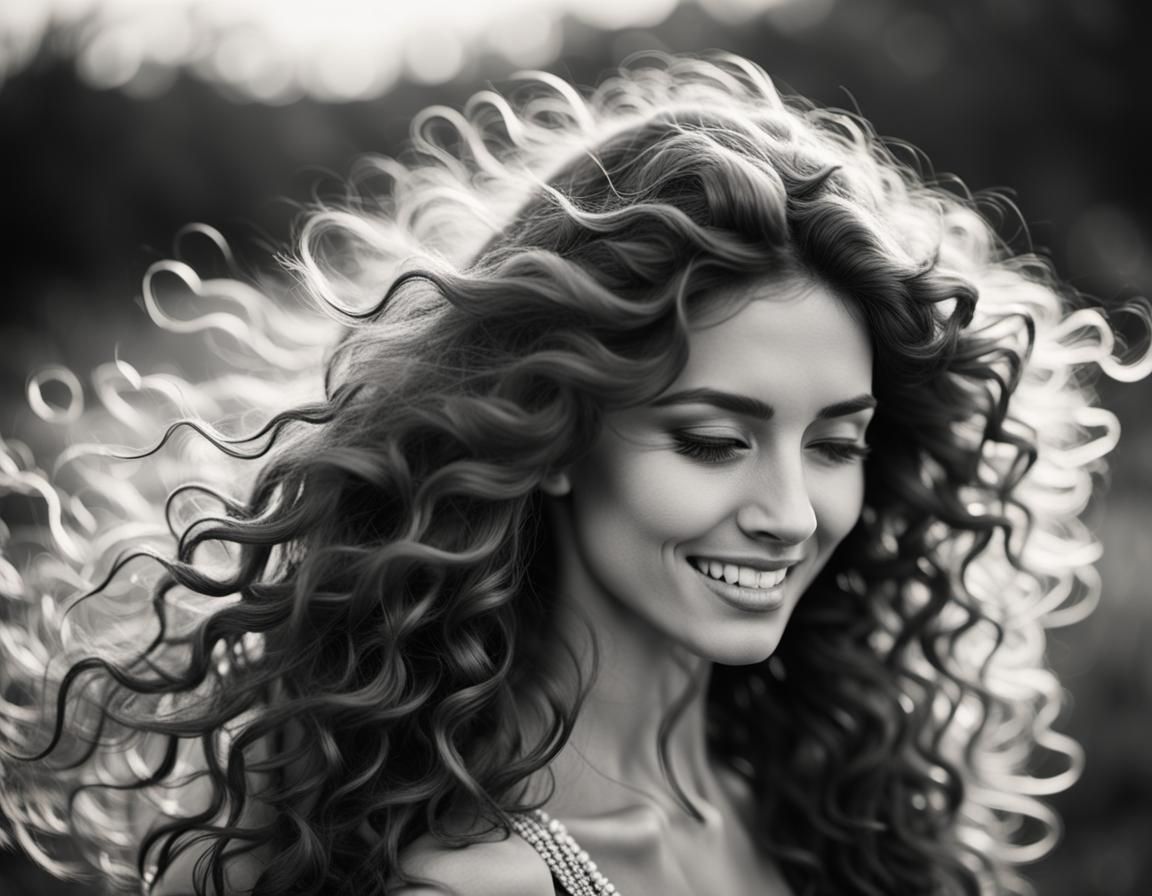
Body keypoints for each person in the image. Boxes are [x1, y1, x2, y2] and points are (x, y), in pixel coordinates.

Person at [0, 52, 1146, 896]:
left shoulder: (848, 813)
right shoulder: (476, 884)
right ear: (553, 437)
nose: (792, 513)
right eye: (712, 439)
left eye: (837, 443)